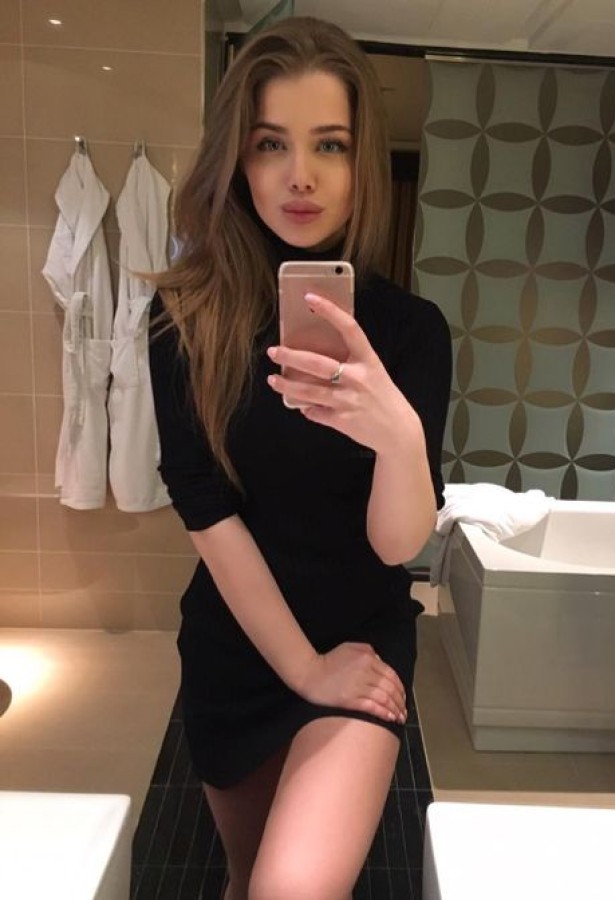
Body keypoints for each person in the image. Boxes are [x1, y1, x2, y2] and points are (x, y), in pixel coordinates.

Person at [148, 15, 451, 900]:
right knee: (248, 876)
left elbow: (397, 546)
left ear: (362, 165)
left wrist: (397, 436)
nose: (300, 175)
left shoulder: (410, 331)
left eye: (330, 144)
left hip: (360, 635)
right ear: (237, 161)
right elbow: (204, 503)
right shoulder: (185, 318)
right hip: (240, 643)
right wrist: (299, 667)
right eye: (270, 143)